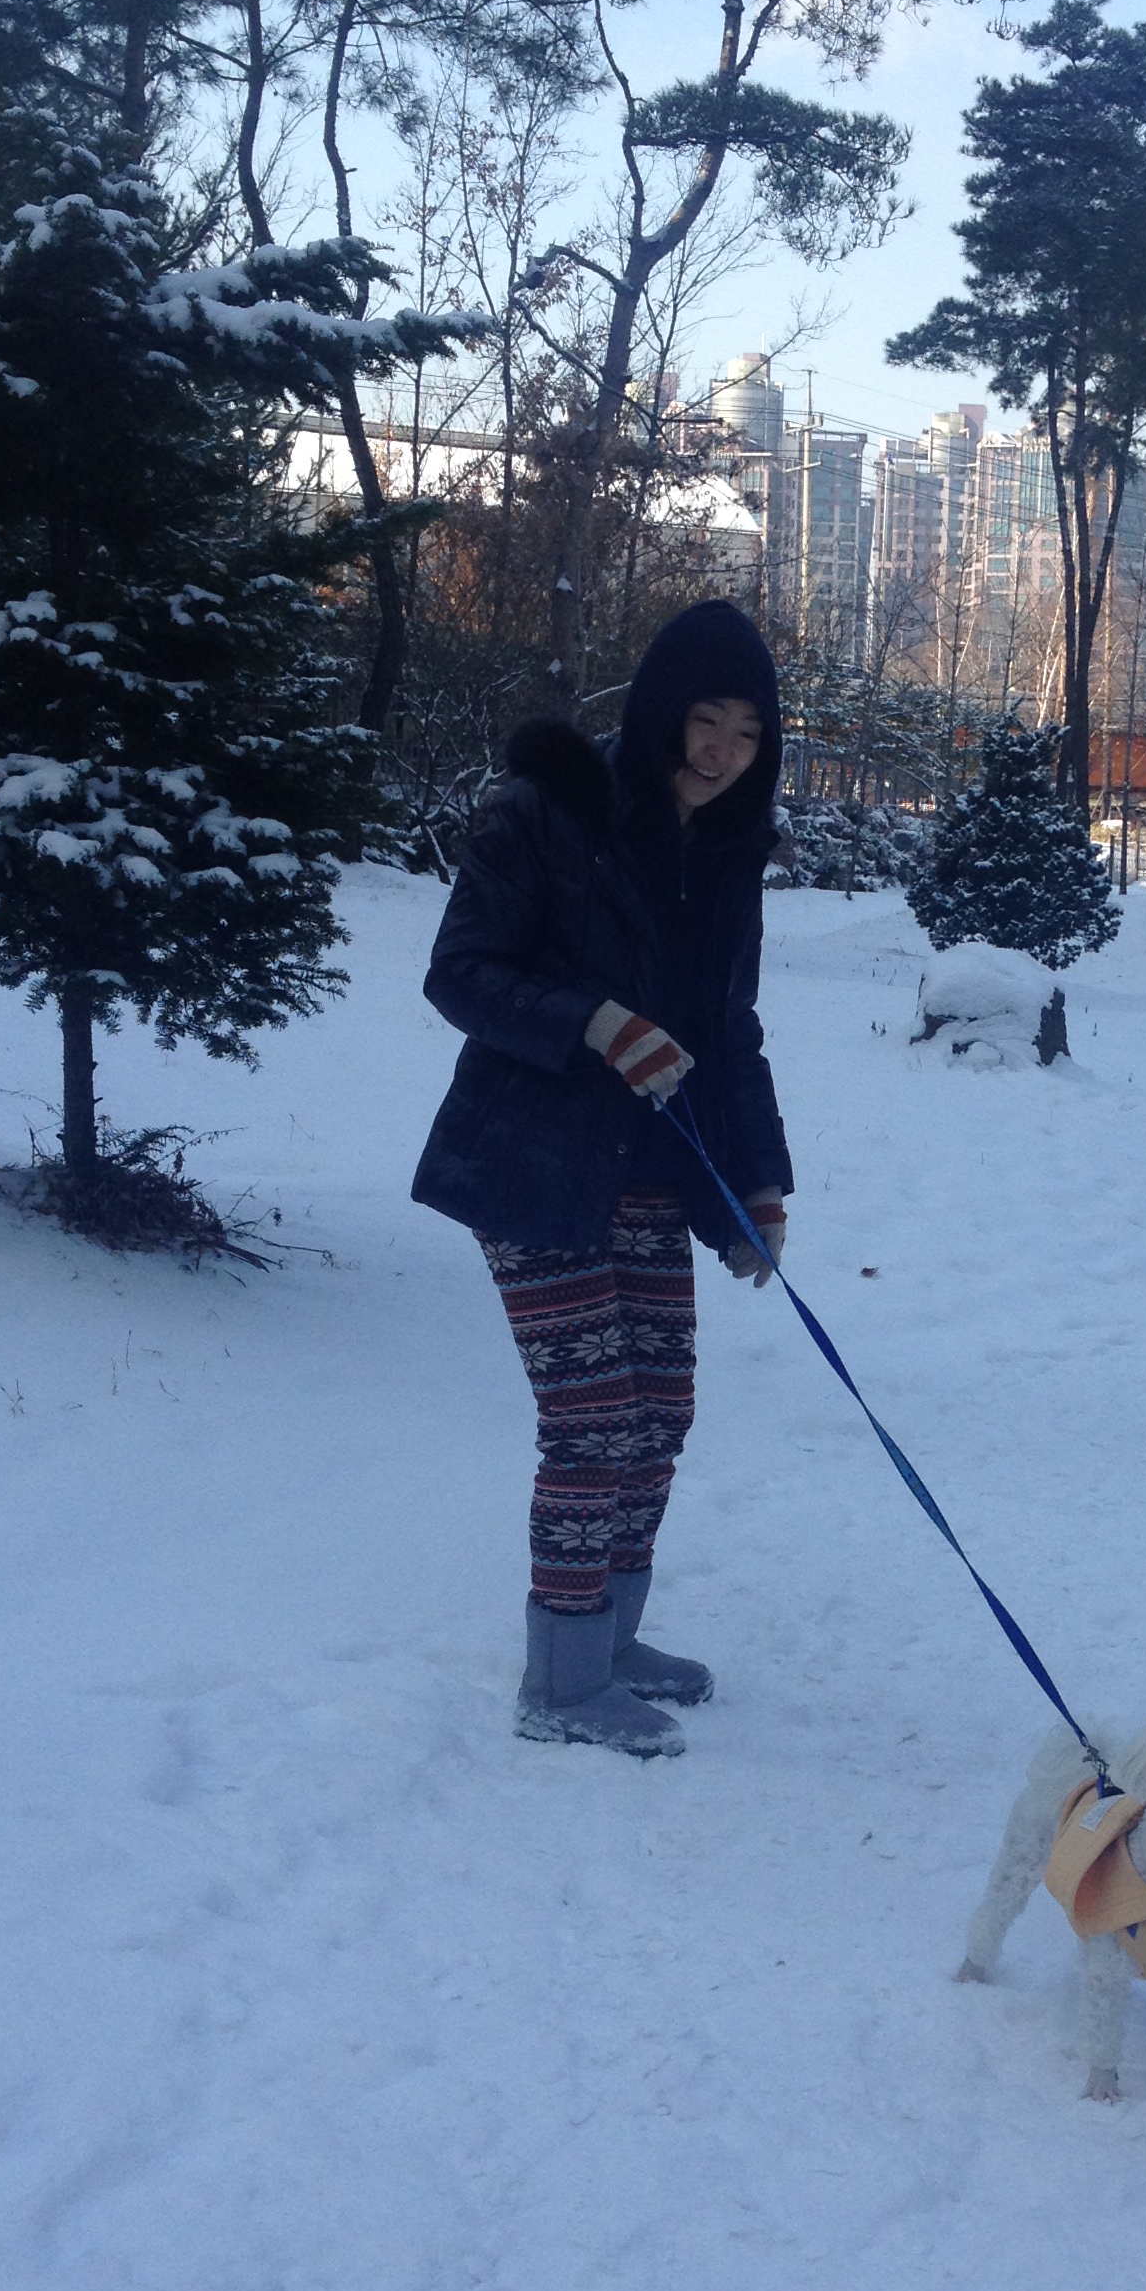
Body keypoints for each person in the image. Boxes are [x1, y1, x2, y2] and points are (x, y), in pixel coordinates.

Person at [410, 600, 792, 1756]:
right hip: (530, 1164)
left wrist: (757, 1187)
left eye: (748, 733)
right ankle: (563, 1683)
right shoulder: (550, 811)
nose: (722, 750)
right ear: (663, 708)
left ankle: (612, 1641)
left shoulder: (726, 857)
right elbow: (460, 973)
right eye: (706, 719)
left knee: (661, 1411)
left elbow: (729, 1032)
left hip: (650, 1171)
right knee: (595, 1419)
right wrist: (595, 1022)